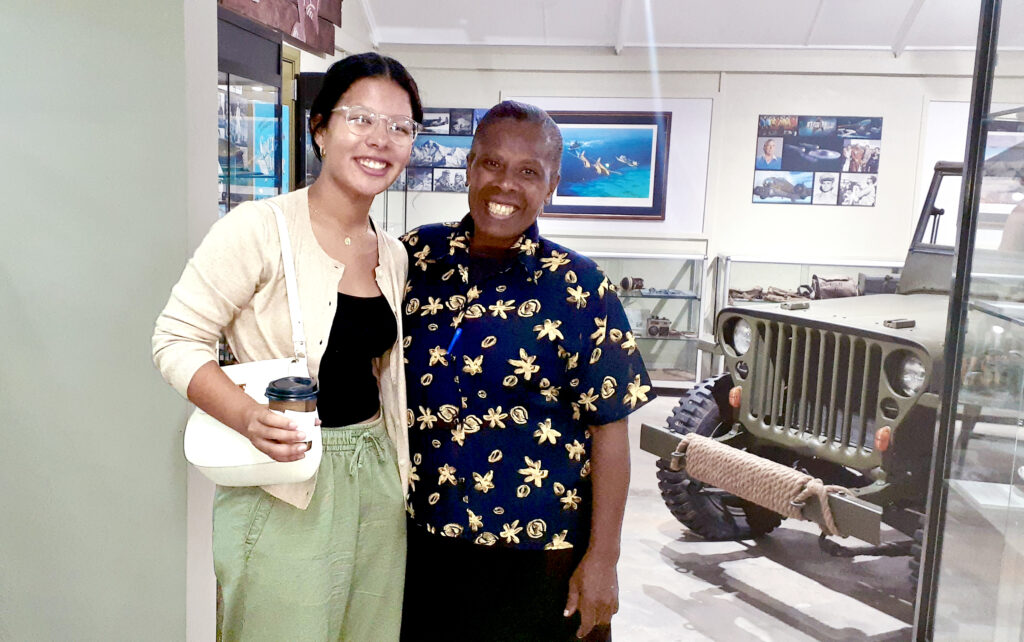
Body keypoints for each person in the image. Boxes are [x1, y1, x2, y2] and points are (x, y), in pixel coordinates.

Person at [152, 52, 423, 641]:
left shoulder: (393, 252)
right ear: (320, 128)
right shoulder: (258, 228)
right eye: (360, 119)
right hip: (285, 477)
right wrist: (249, 417)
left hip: (375, 473)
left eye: (400, 127)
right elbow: (175, 339)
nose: (380, 140)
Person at [399, 101, 654, 641]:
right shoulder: (413, 261)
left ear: (553, 183)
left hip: (544, 559)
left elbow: (610, 432)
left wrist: (604, 560)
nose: (505, 185)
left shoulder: (582, 288)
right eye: (491, 164)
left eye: (528, 171)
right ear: (469, 166)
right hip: (425, 548)